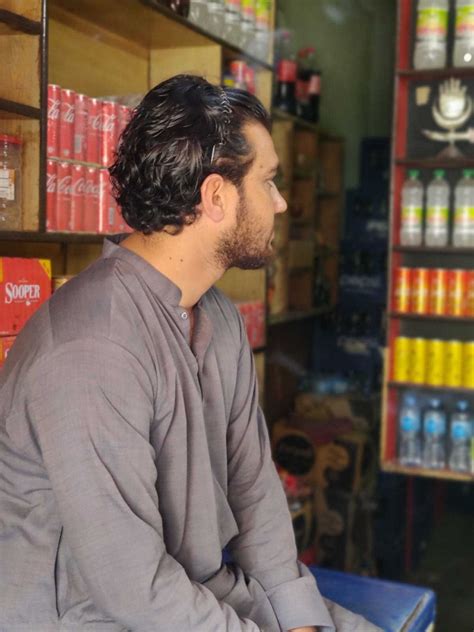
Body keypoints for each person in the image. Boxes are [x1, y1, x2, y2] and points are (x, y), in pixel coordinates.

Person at [0, 75, 380, 631]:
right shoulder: (91, 348)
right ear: (216, 196)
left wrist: (299, 619)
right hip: (88, 617)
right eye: (268, 181)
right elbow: (132, 588)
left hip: (195, 591)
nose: (281, 202)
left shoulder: (218, 317)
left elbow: (254, 488)